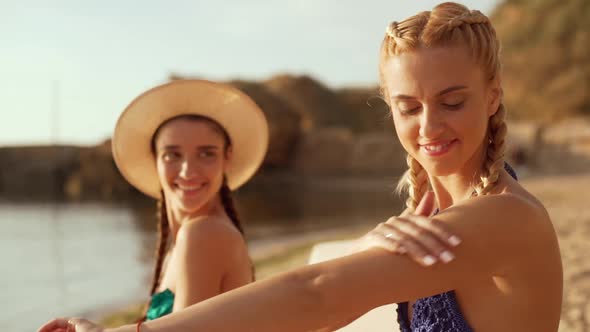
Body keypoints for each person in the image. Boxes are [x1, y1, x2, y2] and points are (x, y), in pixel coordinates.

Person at [39, 2, 563, 332]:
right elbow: (328, 296)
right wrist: (364, 248)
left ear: (493, 96)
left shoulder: (504, 218)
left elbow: (318, 294)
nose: (428, 126)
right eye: (408, 106)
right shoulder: (432, 210)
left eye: (452, 102)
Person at [112, 79, 269, 320]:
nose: (187, 171)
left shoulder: (203, 234)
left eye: (206, 154)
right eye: (172, 154)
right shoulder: (183, 243)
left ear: (227, 158)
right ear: (155, 158)